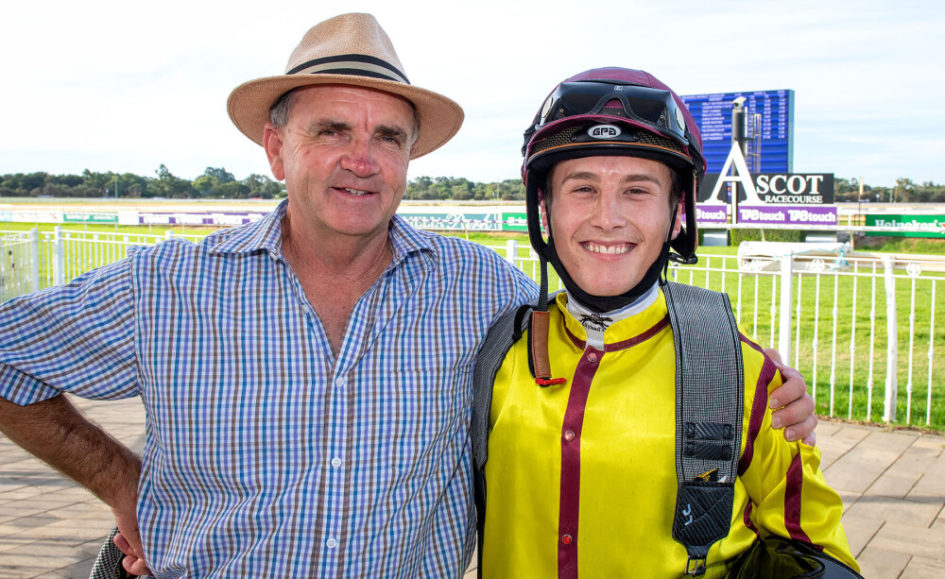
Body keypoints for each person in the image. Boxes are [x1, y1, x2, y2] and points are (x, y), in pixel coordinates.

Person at [0, 15, 815, 578]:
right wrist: (122, 483)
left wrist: (749, 378)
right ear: (276, 148)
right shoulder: (164, 286)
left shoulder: (482, 291)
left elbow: (611, 316)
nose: (362, 158)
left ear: (408, 158)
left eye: (386, 136)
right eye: (332, 130)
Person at [473, 68, 859, 577]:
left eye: (637, 190)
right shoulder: (496, 350)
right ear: (544, 210)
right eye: (583, 188)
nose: (607, 217)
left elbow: (819, 550)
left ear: (677, 214)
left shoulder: (743, 374)